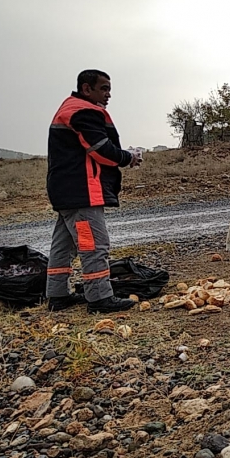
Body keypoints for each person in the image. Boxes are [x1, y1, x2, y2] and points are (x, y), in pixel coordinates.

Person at [46, 69, 142, 313]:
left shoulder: (68, 108)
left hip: (65, 191)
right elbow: (100, 150)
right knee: (93, 244)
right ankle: (99, 298)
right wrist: (128, 157)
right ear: (86, 88)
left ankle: (57, 295)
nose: (108, 95)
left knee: (64, 244)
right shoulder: (84, 111)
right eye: (103, 88)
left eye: (109, 89)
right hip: (82, 192)